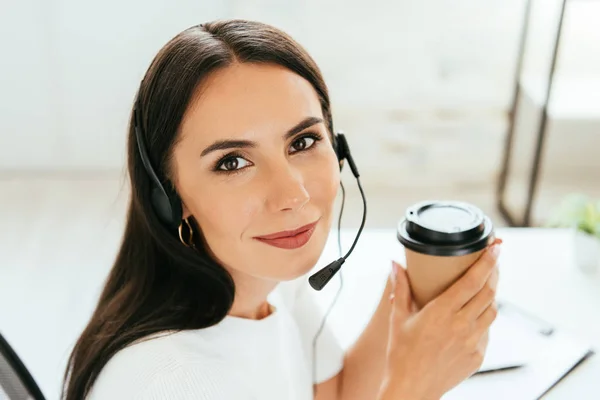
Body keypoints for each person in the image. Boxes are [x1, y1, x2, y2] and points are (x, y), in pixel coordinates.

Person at [62, 19, 501, 400]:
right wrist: (415, 388)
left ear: (339, 149)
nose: (293, 195)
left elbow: (340, 393)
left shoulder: (267, 282)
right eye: (233, 162)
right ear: (169, 196)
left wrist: (420, 292)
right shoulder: (171, 383)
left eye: (303, 142)